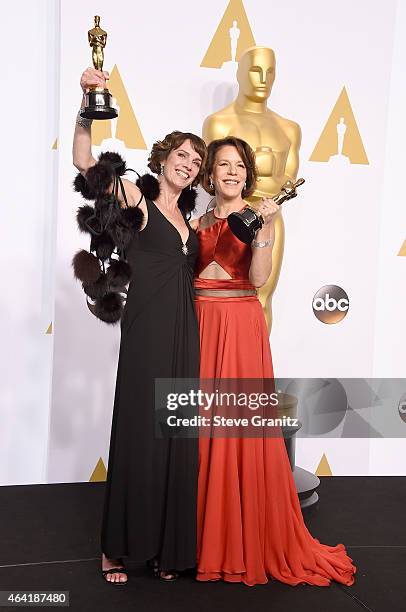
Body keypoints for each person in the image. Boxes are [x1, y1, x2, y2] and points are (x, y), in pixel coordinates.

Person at [190, 136, 357, 587]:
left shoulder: (261, 217)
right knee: (204, 431)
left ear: (248, 174)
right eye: (222, 165)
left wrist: (264, 230)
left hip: (240, 326)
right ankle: (201, 537)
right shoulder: (197, 219)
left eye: (238, 166)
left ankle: (239, 538)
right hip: (201, 325)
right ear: (210, 173)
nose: (230, 173)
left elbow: (259, 279)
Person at [73, 67, 206, 584]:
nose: (188, 165)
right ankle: (118, 547)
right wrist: (86, 104)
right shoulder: (136, 198)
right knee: (139, 432)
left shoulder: (192, 221)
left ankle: (163, 549)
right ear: (164, 157)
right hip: (148, 331)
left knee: (174, 435)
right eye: (182, 156)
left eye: (196, 162)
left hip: (184, 333)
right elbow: (85, 161)